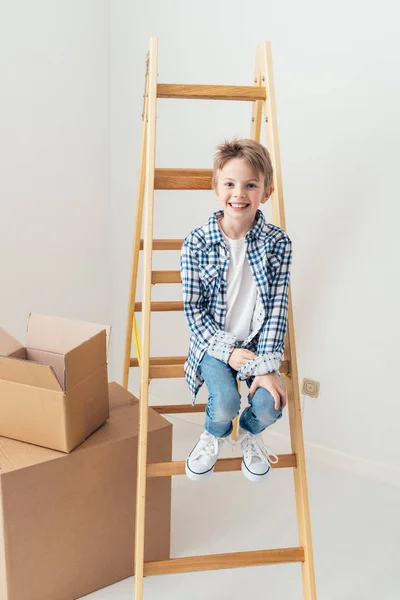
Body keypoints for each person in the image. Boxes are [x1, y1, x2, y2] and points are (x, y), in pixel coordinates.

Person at [180, 138, 292, 483]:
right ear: (217, 189)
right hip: (215, 345)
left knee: (270, 405)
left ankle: (248, 435)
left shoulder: (278, 244)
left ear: (266, 192)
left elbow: (277, 308)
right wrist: (228, 352)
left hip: (259, 347)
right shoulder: (196, 242)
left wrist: (266, 366)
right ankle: (212, 435)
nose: (238, 193)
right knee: (225, 402)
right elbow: (194, 311)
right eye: (229, 183)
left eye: (250, 185)